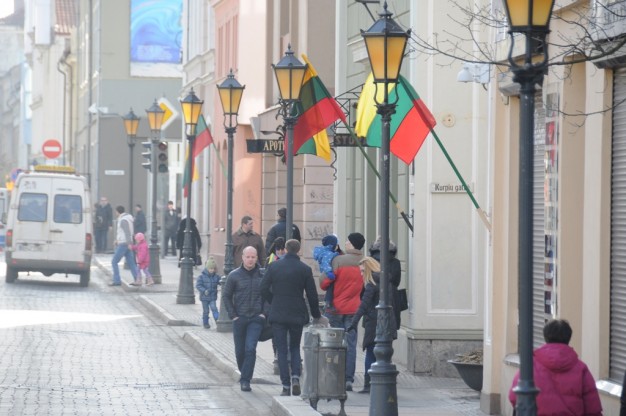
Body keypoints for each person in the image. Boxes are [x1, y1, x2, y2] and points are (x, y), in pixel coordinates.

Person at [261, 239, 328, 396]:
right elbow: (312, 295)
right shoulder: (304, 269)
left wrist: (273, 301)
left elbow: (263, 288)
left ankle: (285, 386)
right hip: (297, 313)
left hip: (278, 313)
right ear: (299, 250)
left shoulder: (274, 266)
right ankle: (296, 377)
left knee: (281, 349)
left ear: (285, 249)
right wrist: (316, 314)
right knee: (295, 347)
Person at [508, 319, 603, 415]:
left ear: (545, 337)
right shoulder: (581, 368)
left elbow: (514, 397)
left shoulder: (530, 365)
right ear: (568, 338)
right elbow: (593, 407)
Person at [319, 232, 366, 391]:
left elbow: (324, 283)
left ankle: (334, 376)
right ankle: (348, 379)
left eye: (347, 241)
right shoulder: (365, 262)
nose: (345, 243)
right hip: (354, 309)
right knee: (351, 344)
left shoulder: (338, 260)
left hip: (336, 308)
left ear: (352, 244)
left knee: (333, 343)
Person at [347, 256, 396, 394]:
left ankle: (368, 385)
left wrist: (354, 322)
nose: (361, 274)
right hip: (388, 322)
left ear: (369, 269)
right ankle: (383, 384)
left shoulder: (371, 283)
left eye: (363, 271)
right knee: (384, 355)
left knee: (370, 353)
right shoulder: (386, 281)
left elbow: (363, 305)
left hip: (374, 323)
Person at [222, 246, 266, 392]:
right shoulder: (234, 275)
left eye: (253, 257)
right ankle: (244, 372)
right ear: (243, 257)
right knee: (240, 351)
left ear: (256, 258)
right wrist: (233, 315)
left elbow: (269, 295)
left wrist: (263, 314)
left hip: (256, 319)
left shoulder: (263, 275)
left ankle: (245, 380)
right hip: (239, 319)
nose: (250, 260)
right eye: (248, 257)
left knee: (250, 348)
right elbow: (226, 296)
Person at [369, 236, 402, 329]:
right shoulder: (396, 262)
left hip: (373, 296)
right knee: (390, 327)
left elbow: (367, 279)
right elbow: (397, 281)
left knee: (372, 328)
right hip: (392, 297)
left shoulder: (370, 261)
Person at [313, 234, 342, 312]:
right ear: (332, 245)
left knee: (331, 288)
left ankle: (328, 302)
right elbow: (325, 263)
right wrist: (329, 272)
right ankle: (328, 303)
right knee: (331, 287)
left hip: (327, 272)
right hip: (328, 273)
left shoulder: (326, 252)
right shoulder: (327, 253)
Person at [110, 205, 137, 286]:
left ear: (118, 212)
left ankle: (117, 280)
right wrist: (117, 240)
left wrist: (128, 243)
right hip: (126, 243)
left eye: (116, 211)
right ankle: (137, 279)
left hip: (124, 244)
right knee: (131, 263)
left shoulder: (123, 220)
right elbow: (123, 232)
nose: (115, 213)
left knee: (114, 261)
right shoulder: (128, 218)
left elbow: (127, 232)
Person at [196, 256, 220, 329]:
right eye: (210, 268)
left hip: (212, 297)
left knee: (214, 308)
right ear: (207, 268)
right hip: (204, 297)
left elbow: (220, 282)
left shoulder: (216, 276)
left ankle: (218, 320)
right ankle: (205, 323)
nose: (212, 270)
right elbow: (198, 285)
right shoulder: (201, 277)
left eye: (213, 269)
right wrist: (204, 290)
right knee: (206, 311)